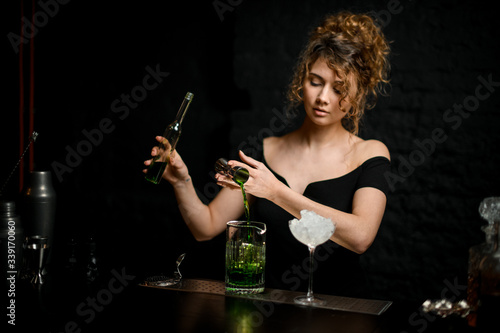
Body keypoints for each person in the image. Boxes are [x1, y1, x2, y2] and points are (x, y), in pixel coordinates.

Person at [144, 11, 391, 297]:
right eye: (315, 81)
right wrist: (181, 182)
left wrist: (274, 191)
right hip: (271, 308)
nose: (324, 97)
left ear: (359, 94)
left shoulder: (369, 153)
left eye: (339, 89)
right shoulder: (262, 152)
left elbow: (361, 236)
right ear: (302, 80)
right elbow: (206, 227)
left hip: (341, 311)